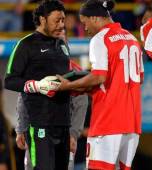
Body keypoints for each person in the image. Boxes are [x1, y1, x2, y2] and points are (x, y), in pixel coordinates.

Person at [56, 0, 144, 169]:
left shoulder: (100, 39)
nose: (85, 28)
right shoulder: (132, 38)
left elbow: (99, 77)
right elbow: (139, 79)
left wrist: (67, 86)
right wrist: (85, 87)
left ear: (95, 18)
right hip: (132, 125)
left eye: (85, 22)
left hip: (108, 123)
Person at [4, 0, 71, 169]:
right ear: (42, 19)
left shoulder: (62, 45)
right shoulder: (26, 44)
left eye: (63, 20)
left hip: (63, 123)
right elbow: (10, 80)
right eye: (57, 20)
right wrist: (36, 85)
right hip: (40, 124)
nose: (61, 25)